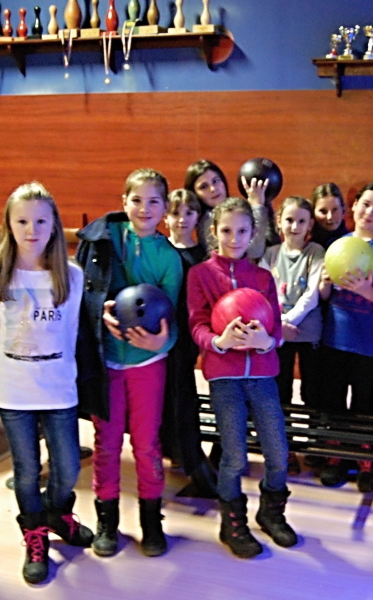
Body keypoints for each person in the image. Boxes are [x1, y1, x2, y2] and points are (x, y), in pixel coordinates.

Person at [0, 182, 92, 584]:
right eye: (22, 221)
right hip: (15, 389)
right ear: (8, 225)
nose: (32, 230)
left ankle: (57, 513)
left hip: (58, 385)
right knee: (26, 470)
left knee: (67, 465)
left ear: (54, 225)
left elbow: (71, 332)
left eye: (41, 221)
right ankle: (34, 533)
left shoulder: (71, 275)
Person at [76, 168, 182, 559]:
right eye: (137, 200)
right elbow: (85, 293)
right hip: (106, 361)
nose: (144, 208)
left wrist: (161, 341)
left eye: (154, 201)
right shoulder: (104, 241)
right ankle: (107, 522)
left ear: (165, 208)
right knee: (106, 443)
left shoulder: (169, 258)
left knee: (146, 444)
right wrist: (99, 313)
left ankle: (151, 522)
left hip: (148, 364)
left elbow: (174, 320)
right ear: (124, 202)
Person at [187, 196, 297, 559]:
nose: (234, 238)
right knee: (233, 456)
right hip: (225, 378)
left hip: (263, 376)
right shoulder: (201, 275)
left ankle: (271, 513)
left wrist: (268, 342)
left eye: (242, 231)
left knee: (278, 453)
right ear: (213, 232)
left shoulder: (263, 277)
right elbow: (197, 325)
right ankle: (232, 523)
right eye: (226, 231)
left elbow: (275, 328)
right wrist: (219, 342)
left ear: (253, 234)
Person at [317, 182, 373, 492]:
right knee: (334, 399)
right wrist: (324, 285)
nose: (369, 212)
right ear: (354, 205)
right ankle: (336, 458)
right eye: (365, 204)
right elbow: (324, 297)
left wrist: (367, 290)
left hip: (369, 342)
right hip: (334, 337)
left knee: (363, 401)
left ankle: (365, 460)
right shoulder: (337, 243)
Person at [260, 196, 325, 475]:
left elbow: (312, 295)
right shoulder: (271, 254)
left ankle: (313, 444)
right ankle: (282, 447)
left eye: (301, 221)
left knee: (313, 390)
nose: (295, 226)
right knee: (280, 390)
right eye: (289, 220)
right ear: (279, 222)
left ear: (310, 224)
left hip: (307, 332)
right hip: (279, 334)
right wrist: (279, 323)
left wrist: (288, 319)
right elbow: (265, 290)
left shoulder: (316, 252)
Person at [160, 188, 218, 498]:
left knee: (183, 398)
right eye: (175, 213)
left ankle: (192, 457)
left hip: (185, 339)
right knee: (161, 399)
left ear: (198, 217)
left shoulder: (202, 258)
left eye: (188, 213)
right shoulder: (159, 250)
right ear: (165, 217)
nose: (181, 219)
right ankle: (171, 450)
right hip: (156, 338)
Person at [184, 159, 279, 260]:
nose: (213, 189)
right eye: (204, 187)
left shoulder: (237, 210)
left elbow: (272, 244)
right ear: (195, 194)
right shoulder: (206, 221)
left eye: (216, 181)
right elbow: (253, 253)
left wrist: (265, 201)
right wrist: (257, 206)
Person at [310, 182, 349, 250]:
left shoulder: (351, 241)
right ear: (313, 212)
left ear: (343, 210)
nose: (330, 217)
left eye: (335, 210)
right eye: (323, 211)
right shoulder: (305, 243)